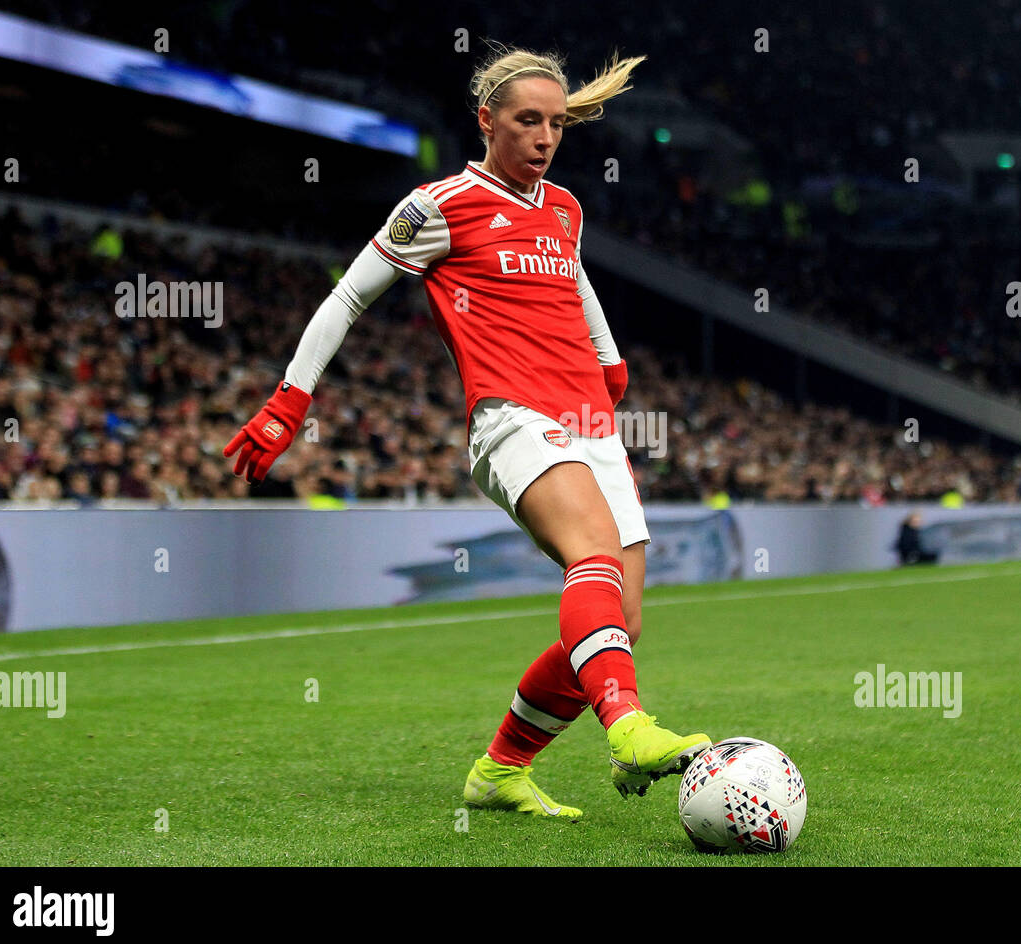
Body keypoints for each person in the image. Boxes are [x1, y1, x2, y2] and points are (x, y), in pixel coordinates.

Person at [223, 44, 710, 820]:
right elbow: (345, 298)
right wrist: (290, 399)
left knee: (624, 621)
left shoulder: (565, 207)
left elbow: (578, 284)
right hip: (513, 415)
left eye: (556, 123)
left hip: (589, 418)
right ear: (487, 120)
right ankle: (629, 729)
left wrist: (611, 366)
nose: (546, 137)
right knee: (592, 559)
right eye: (528, 121)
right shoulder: (438, 206)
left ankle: (501, 771)